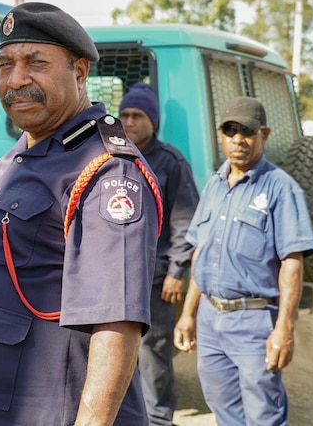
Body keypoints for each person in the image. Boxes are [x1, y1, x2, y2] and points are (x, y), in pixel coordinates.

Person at [0, 2, 162, 426]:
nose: (17, 79)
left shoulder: (107, 171)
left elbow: (116, 323)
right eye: (6, 63)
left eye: (36, 63)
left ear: (80, 72)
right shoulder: (23, 151)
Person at [173, 96, 313, 426]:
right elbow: (201, 253)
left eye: (247, 131)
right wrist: (188, 314)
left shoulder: (281, 188)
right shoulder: (213, 186)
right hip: (210, 320)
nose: (238, 139)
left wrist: (285, 327)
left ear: (263, 135)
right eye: (230, 130)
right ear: (220, 135)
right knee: (223, 409)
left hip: (253, 322)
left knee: (263, 414)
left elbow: (292, 263)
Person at [118, 82, 199, 426]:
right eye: (124, 115)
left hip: (156, 278)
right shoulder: (114, 155)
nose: (130, 121)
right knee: (116, 351)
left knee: (153, 353)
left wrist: (177, 272)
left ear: (153, 121)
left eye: (137, 115)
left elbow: (186, 223)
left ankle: (159, 418)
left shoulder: (171, 162)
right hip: (117, 276)